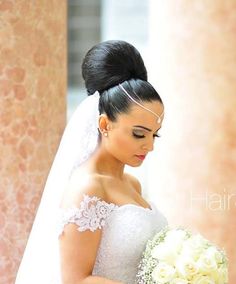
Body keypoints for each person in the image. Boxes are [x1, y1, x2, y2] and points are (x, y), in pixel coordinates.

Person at [15, 40, 168, 284]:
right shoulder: (87, 189)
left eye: (154, 134)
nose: (149, 146)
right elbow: (77, 280)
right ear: (105, 125)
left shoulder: (132, 184)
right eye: (139, 134)